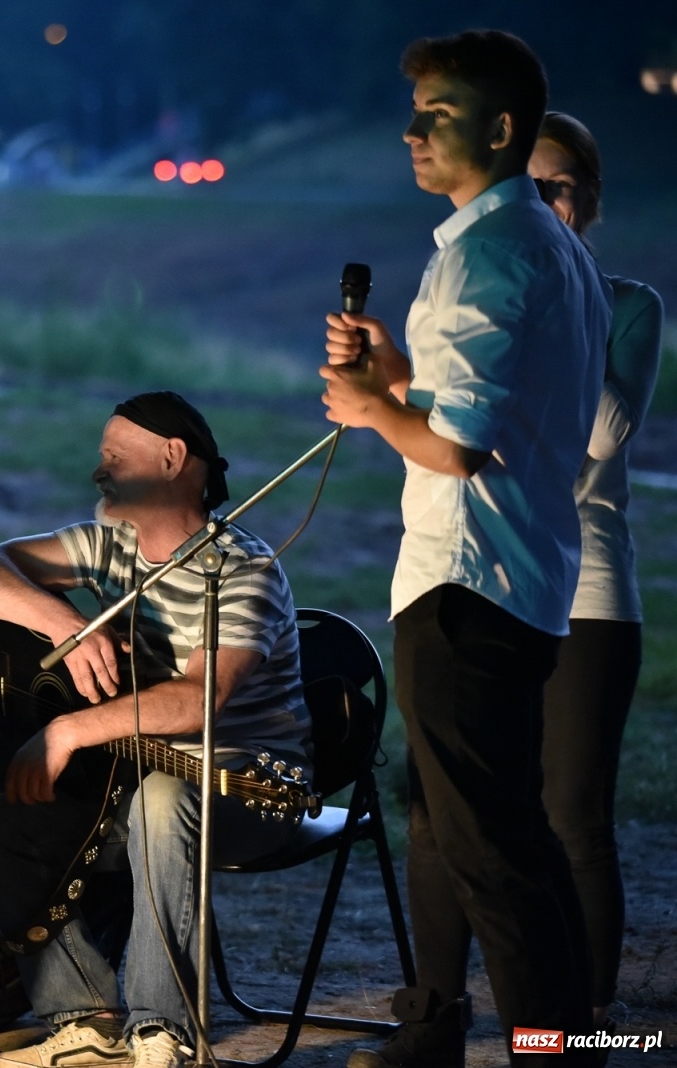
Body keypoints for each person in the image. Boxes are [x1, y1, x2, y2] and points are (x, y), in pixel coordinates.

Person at [319, 32, 611, 1067]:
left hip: (466, 584)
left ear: (497, 129)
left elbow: (458, 447)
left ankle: (552, 1051)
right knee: (465, 830)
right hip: (517, 578)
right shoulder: (546, 244)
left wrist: (367, 408)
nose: (410, 132)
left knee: (496, 852)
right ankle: (460, 1035)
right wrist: (396, 381)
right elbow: (480, 409)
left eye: (435, 114)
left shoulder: (488, 252)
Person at [0, 392, 311, 1068]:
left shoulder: (243, 569)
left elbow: (199, 701)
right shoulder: (108, 546)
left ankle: (161, 1033)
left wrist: (67, 732)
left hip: (244, 783)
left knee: (162, 801)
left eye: (115, 457)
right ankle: (83, 1018)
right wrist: (58, 622)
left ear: (174, 460)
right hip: (136, 769)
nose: (99, 470)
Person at [410, 112, 662, 1034]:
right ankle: (431, 1011)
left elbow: (603, 433)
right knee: (441, 812)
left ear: (590, 201)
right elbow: (439, 420)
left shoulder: (623, 300)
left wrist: (565, 300)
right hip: (485, 577)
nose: (547, 204)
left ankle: (582, 1024)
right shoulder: (491, 279)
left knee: (570, 814)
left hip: (588, 584)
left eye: (564, 189)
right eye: (535, 186)